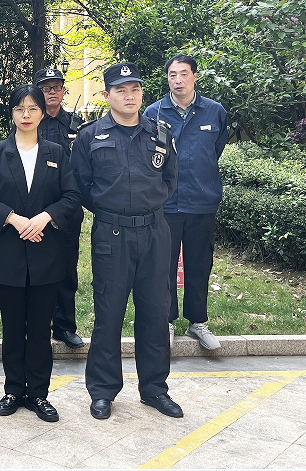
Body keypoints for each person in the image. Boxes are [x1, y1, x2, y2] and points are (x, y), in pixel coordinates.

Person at [71, 62, 184, 420]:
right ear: (107, 95)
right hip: (112, 234)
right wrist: (113, 212)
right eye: (121, 90)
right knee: (109, 314)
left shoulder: (160, 133)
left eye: (135, 89)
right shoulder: (90, 136)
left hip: (154, 233)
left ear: (141, 93)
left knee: (155, 312)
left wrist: (146, 209)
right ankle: (103, 391)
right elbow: (82, 186)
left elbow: (170, 180)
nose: (129, 95)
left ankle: (154, 389)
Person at [0, 85, 80, 422]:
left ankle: (38, 394)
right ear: (12, 114)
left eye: (33, 108)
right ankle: (13, 390)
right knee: (13, 326)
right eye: (20, 109)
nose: (26, 115)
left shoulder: (56, 152)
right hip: (9, 251)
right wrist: (14, 219)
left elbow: (71, 196)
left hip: (47, 251)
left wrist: (45, 218)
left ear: (42, 113)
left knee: (40, 327)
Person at [145, 55, 228, 351]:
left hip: (202, 201)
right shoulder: (154, 112)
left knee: (199, 264)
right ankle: (166, 320)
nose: (177, 80)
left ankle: (198, 322)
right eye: (172, 75)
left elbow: (215, 149)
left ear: (194, 76)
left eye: (183, 74)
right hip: (166, 203)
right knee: (163, 265)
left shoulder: (214, 111)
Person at [33, 68, 85, 350]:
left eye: (56, 87)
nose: (51, 92)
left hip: (67, 209)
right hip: (35, 210)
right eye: (45, 88)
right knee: (37, 270)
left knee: (66, 270)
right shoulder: (30, 122)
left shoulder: (77, 124)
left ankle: (64, 326)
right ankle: (36, 326)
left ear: (64, 91)